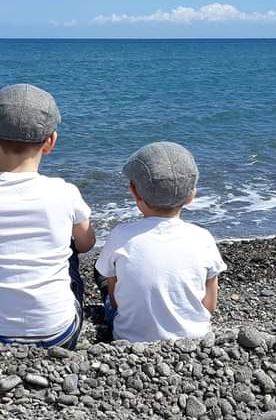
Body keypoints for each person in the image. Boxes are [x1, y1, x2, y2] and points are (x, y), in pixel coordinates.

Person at [0, 83, 95, 349]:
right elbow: (86, 243)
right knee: (69, 244)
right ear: (50, 142)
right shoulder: (65, 192)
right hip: (61, 335)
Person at [95, 141, 227, 343]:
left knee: (104, 273)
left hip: (129, 338)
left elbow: (115, 302)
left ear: (134, 191)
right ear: (191, 196)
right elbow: (210, 306)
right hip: (194, 338)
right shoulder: (203, 238)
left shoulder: (121, 235)